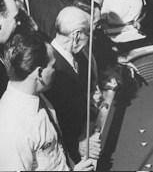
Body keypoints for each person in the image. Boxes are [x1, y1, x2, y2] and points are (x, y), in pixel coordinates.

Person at [0, 31, 95, 170]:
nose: (56, 71)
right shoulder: (12, 128)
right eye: (53, 66)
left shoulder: (38, 96)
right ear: (39, 73)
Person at [46, 6, 101, 163]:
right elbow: (53, 120)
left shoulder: (76, 58)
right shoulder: (52, 68)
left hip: (85, 133)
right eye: (88, 35)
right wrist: (77, 144)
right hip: (68, 153)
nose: (88, 40)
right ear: (76, 35)